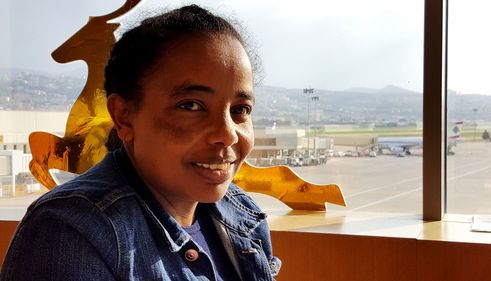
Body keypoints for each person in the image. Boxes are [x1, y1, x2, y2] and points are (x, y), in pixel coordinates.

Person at [1, 5, 281, 281]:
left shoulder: (241, 213)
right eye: (191, 106)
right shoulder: (71, 230)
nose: (228, 134)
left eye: (240, 110)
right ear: (124, 117)